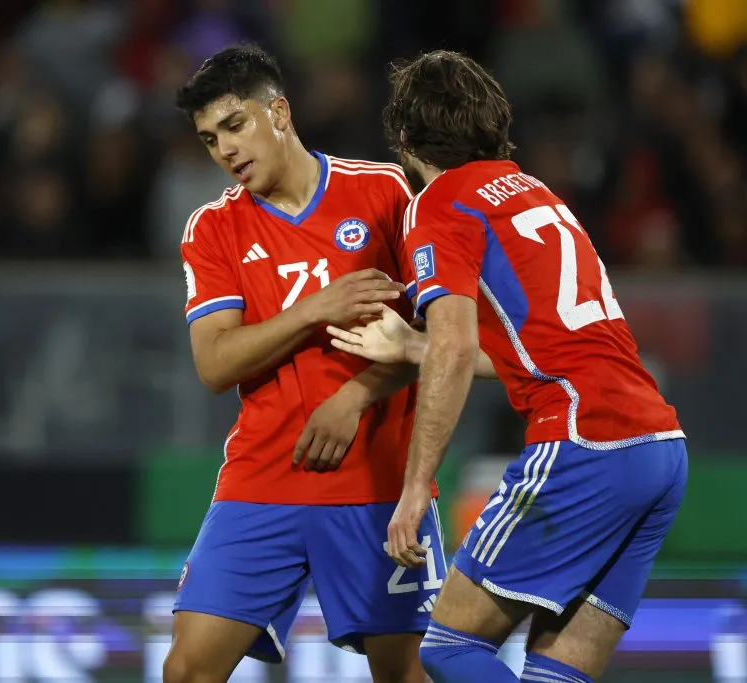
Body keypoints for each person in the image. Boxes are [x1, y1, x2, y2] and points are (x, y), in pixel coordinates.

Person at [327, 50, 687, 683]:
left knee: (449, 647)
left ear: (405, 137)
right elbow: (546, 346)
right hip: (659, 446)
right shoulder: (537, 193)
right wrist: (417, 349)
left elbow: (458, 348)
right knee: (556, 674)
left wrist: (416, 488)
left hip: (584, 438)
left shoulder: (440, 202)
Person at [166, 43, 445, 683]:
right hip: (263, 479)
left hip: (376, 479)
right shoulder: (212, 229)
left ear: (280, 113)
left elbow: (438, 341)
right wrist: (313, 309)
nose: (226, 150)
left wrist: (353, 399)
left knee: (403, 674)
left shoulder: (382, 191)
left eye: (235, 125)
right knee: (186, 669)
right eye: (210, 139)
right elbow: (214, 364)